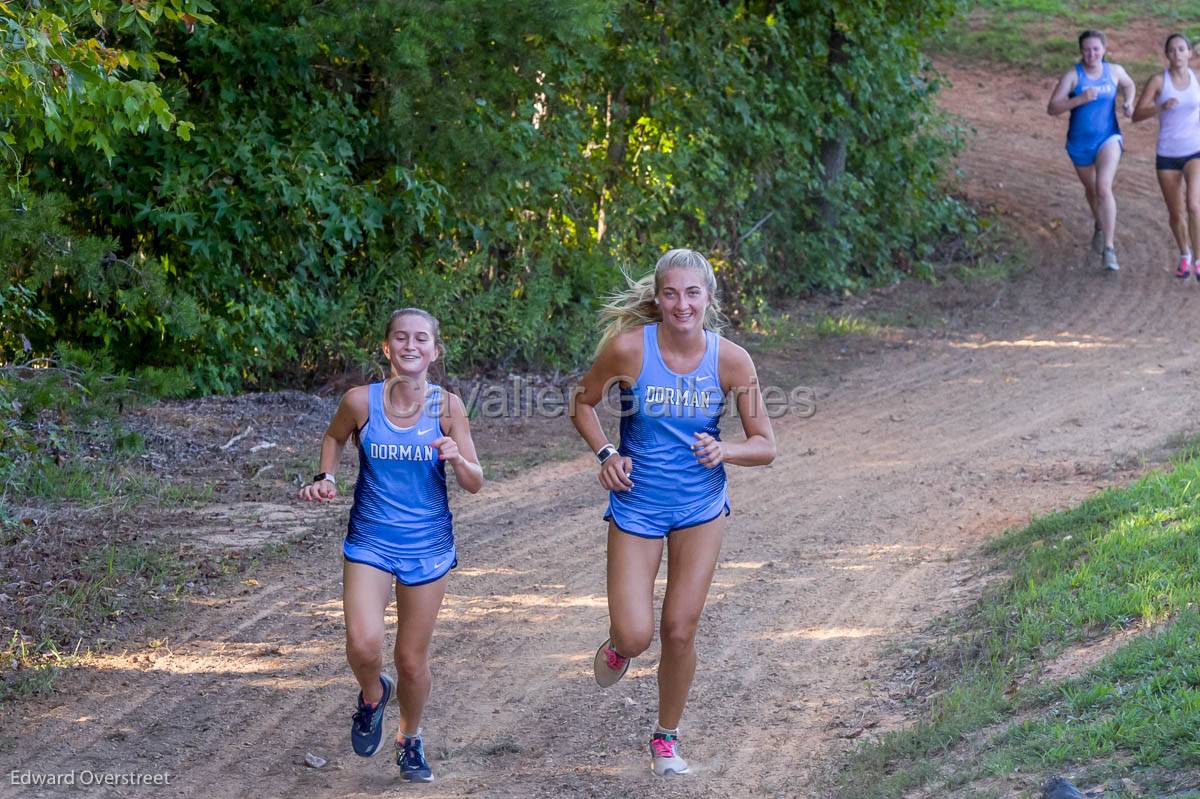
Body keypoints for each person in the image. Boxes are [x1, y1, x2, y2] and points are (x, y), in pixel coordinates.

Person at [569, 248, 776, 777]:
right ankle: (619, 645)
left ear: (708, 297)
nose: (682, 304)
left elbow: (765, 445)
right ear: (657, 298)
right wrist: (606, 455)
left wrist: (724, 450)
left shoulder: (732, 360)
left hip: (700, 507)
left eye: (692, 293)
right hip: (637, 505)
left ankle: (666, 737)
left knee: (680, 630)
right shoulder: (628, 350)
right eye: (670, 293)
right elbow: (582, 402)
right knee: (637, 635)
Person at [299, 308, 483, 783]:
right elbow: (334, 437)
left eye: (421, 338)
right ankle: (371, 694)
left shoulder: (448, 407)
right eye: (400, 338)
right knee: (362, 644)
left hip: (428, 547)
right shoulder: (361, 402)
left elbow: (475, 481)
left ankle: (409, 739)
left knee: (410, 660)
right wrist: (326, 475)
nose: (410, 345)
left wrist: (457, 455)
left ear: (434, 352)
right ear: (387, 348)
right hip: (370, 541)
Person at [1047, 30, 1136, 271]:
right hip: (1079, 143)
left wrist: (1128, 102)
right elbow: (1052, 108)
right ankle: (1099, 224)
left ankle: (1109, 248)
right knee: (1091, 190)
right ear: (1081, 51)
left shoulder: (1114, 71)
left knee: (1103, 187)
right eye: (1087, 49)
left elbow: (1129, 84)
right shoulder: (1073, 76)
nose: (1091, 54)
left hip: (1108, 137)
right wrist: (1079, 100)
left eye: (1096, 49)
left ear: (1104, 49)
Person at [1133, 33, 1200, 279]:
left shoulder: (1197, 78)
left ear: (1190, 53)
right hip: (1167, 153)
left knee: (1195, 205)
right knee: (1176, 212)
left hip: (1195, 151)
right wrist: (1160, 106)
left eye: (1182, 49)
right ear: (1167, 55)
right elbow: (1137, 114)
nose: (1177, 54)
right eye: (1172, 50)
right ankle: (1185, 255)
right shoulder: (1158, 82)